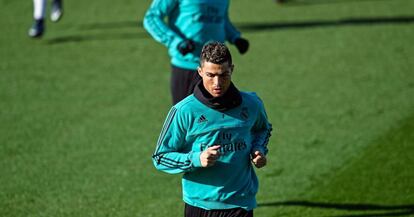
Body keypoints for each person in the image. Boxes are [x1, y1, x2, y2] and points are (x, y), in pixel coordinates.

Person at [152, 42, 272, 217]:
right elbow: (160, 157)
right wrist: (196, 159)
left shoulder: (251, 103)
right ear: (200, 71)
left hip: (241, 203)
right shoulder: (184, 111)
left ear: (232, 69)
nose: (217, 83)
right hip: (200, 206)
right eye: (210, 75)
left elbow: (263, 129)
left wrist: (258, 149)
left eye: (224, 75)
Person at [143, 0, 250, 105]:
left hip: (216, 70)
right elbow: (152, 17)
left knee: (217, 118)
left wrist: (235, 37)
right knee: (185, 117)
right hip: (186, 67)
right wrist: (176, 42)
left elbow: (221, 19)